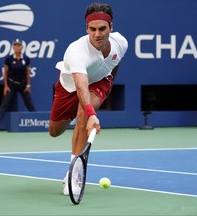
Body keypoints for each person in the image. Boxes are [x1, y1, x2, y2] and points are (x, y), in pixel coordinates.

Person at [48, 3, 128, 195]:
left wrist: (108, 84)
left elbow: (115, 62)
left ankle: (74, 173)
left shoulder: (121, 43)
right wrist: (92, 115)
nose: (97, 34)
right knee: (54, 131)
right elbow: (81, 86)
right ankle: (81, 121)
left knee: (85, 110)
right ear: (86, 29)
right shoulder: (76, 51)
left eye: (102, 29)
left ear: (111, 27)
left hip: (99, 82)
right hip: (70, 87)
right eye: (92, 29)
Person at [0, 39, 35, 132]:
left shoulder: (25, 58)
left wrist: (28, 85)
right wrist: (6, 86)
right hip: (11, 84)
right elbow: (5, 72)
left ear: (22, 47)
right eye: (15, 45)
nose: (17, 47)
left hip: (23, 84)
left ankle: (36, 121)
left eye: (19, 45)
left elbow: (27, 72)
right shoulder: (9, 59)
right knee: (4, 104)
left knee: (29, 103)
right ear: (13, 47)